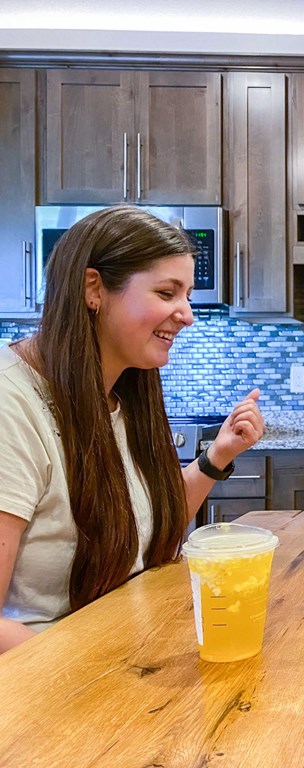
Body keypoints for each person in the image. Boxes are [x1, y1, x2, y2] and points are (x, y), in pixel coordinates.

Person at [0, 206, 265, 654]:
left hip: (130, 655)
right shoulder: (13, 403)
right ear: (93, 289)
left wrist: (216, 457)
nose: (187, 314)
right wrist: (100, 683)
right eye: (167, 292)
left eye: (186, 295)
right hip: (54, 693)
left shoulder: (123, 394)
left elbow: (140, 528)